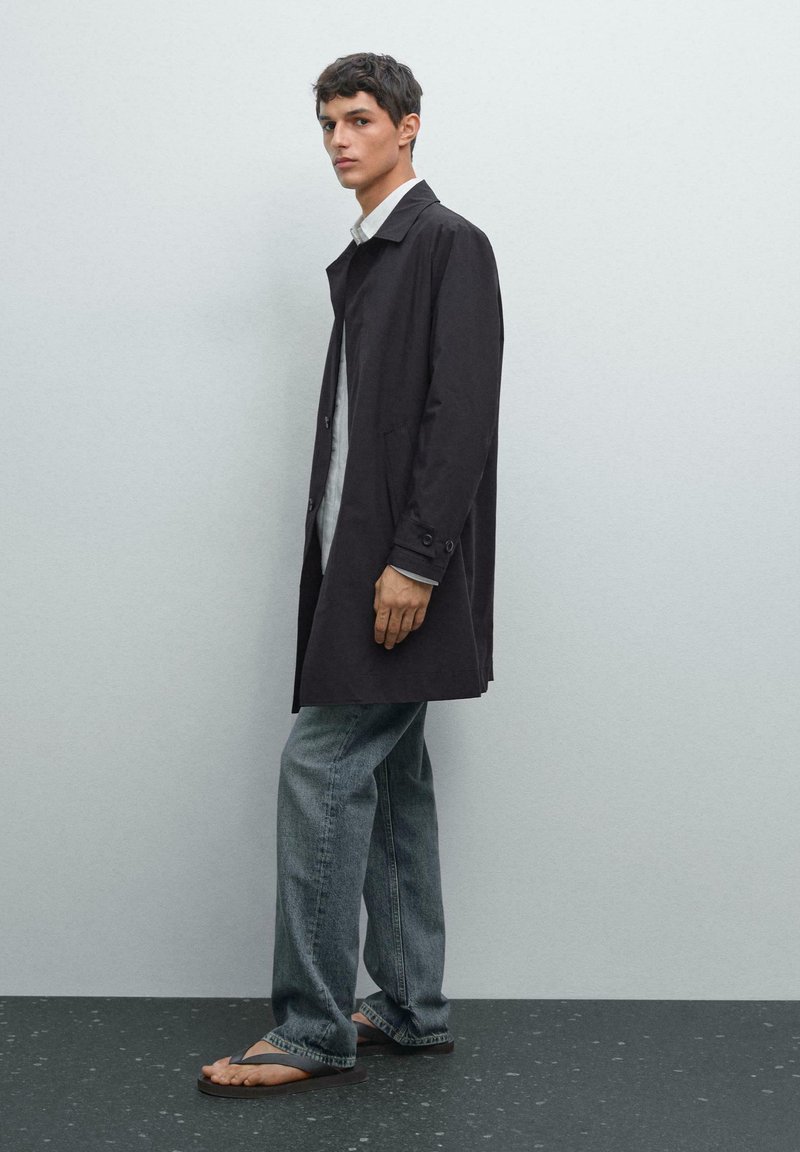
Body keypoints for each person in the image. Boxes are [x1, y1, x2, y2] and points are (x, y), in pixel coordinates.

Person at [198, 51, 503, 1098]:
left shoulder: (446, 243)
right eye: (328, 122)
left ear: (408, 127)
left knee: (321, 767)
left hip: (398, 571)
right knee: (391, 775)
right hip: (357, 565)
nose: (339, 139)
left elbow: (459, 418)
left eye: (361, 119)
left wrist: (414, 560)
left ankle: (312, 1028)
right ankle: (410, 1005)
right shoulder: (373, 251)